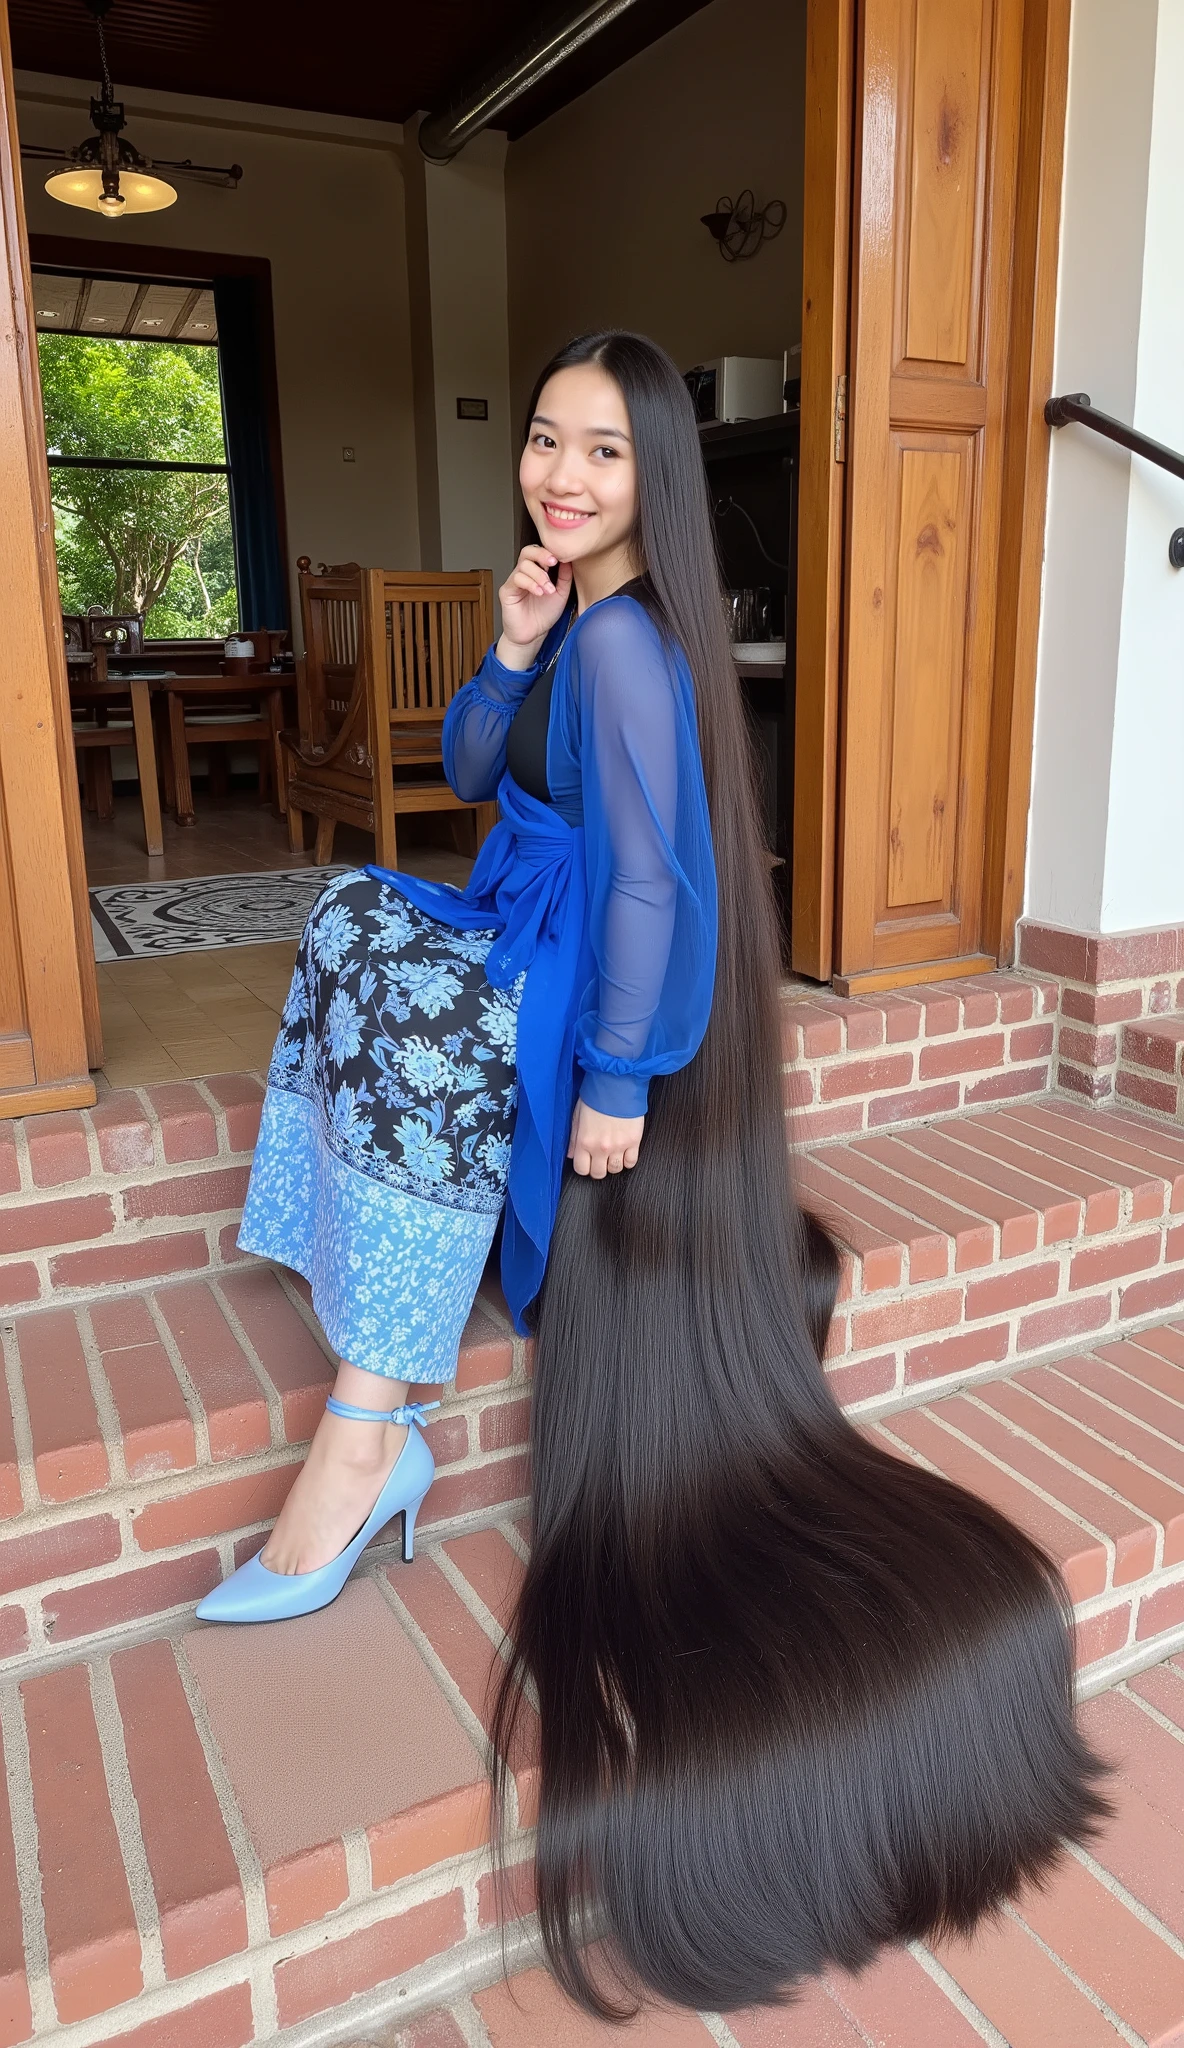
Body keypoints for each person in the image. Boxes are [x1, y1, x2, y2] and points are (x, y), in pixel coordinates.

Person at [198, 332, 1107, 2022]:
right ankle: (375, 1368)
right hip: (517, 926)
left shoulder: (630, 649)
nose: (563, 474)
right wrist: (504, 642)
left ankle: (368, 1417)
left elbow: (649, 894)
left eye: (604, 453)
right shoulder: (573, 624)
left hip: (567, 995)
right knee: (349, 919)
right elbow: (470, 772)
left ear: (657, 475)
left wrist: (617, 1078)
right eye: (548, 441)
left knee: (379, 964)